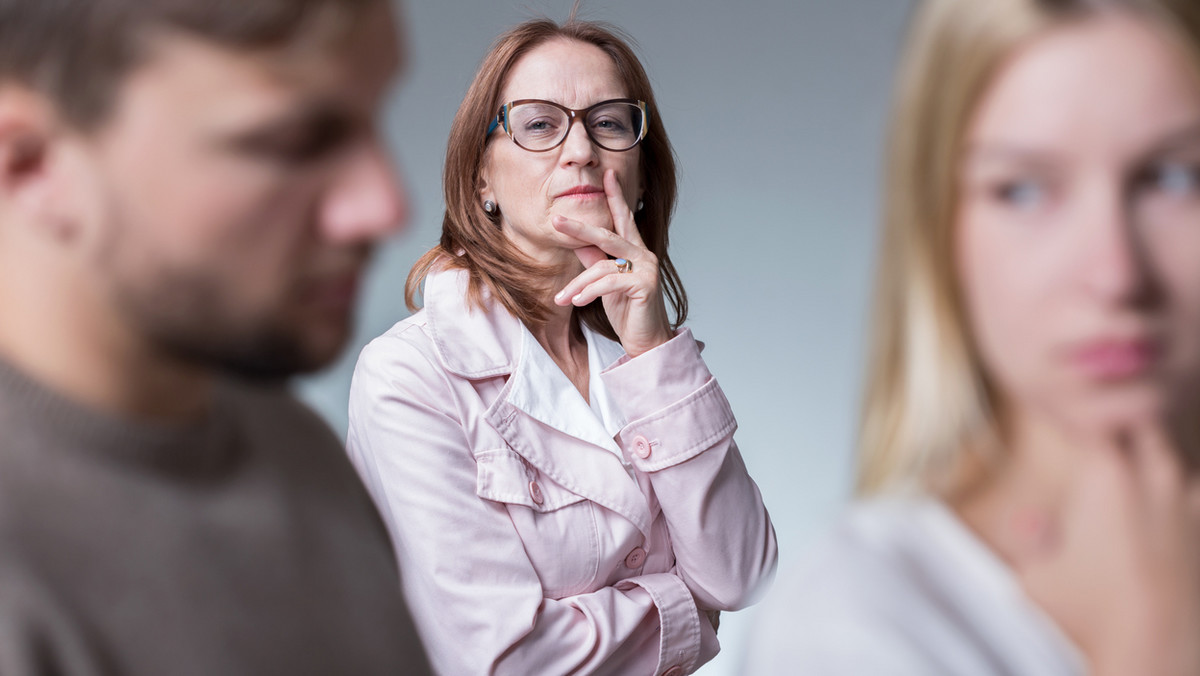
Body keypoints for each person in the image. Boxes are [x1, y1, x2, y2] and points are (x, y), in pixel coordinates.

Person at [745, 0, 1200, 674]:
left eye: (1174, 177)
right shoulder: (855, 621)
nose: (1115, 275)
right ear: (937, 227)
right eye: (1021, 191)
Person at [0, 0, 431, 673]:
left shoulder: (299, 452)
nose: (385, 206)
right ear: (32, 164)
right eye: (294, 142)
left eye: (373, 119)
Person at [345, 15, 778, 676]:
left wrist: (655, 349)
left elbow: (741, 573)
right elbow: (503, 661)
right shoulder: (408, 376)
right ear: (481, 178)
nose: (581, 151)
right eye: (540, 124)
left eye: (608, 123)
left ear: (638, 179)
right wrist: (681, 607)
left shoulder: (648, 362)